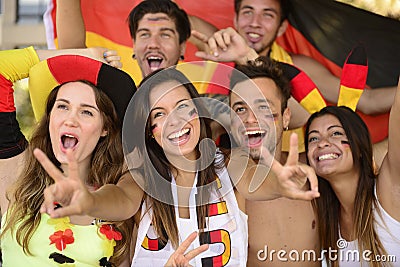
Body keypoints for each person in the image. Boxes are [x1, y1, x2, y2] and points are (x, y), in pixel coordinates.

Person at [38, 67, 319, 266]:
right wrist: (90, 201)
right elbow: (120, 200)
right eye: (159, 114)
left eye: (182, 107)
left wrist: (281, 185)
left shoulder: (230, 163)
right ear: (150, 130)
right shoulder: (140, 176)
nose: (174, 121)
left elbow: (256, 183)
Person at [0, 47, 137, 266]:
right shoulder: (18, 174)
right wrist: (86, 54)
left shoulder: (120, 188)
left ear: (105, 129)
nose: (70, 120)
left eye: (86, 111)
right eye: (62, 106)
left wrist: (89, 201)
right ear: (49, 117)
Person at [192, 0, 397, 116]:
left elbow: (367, 101)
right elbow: (171, 15)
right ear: (235, 19)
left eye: (267, 15)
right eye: (248, 12)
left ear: (281, 28)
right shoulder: (215, 44)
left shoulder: (298, 67)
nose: (255, 22)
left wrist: (247, 56)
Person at [228, 56, 320, 266]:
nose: (251, 119)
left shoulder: (316, 168)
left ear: (286, 117)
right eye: (240, 109)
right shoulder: (222, 169)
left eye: (263, 107)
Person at [304, 80, 400, 267]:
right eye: (313, 138)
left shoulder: (387, 192)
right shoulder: (325, 223)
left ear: (360, 147)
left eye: (336, 134)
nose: (322, 143)